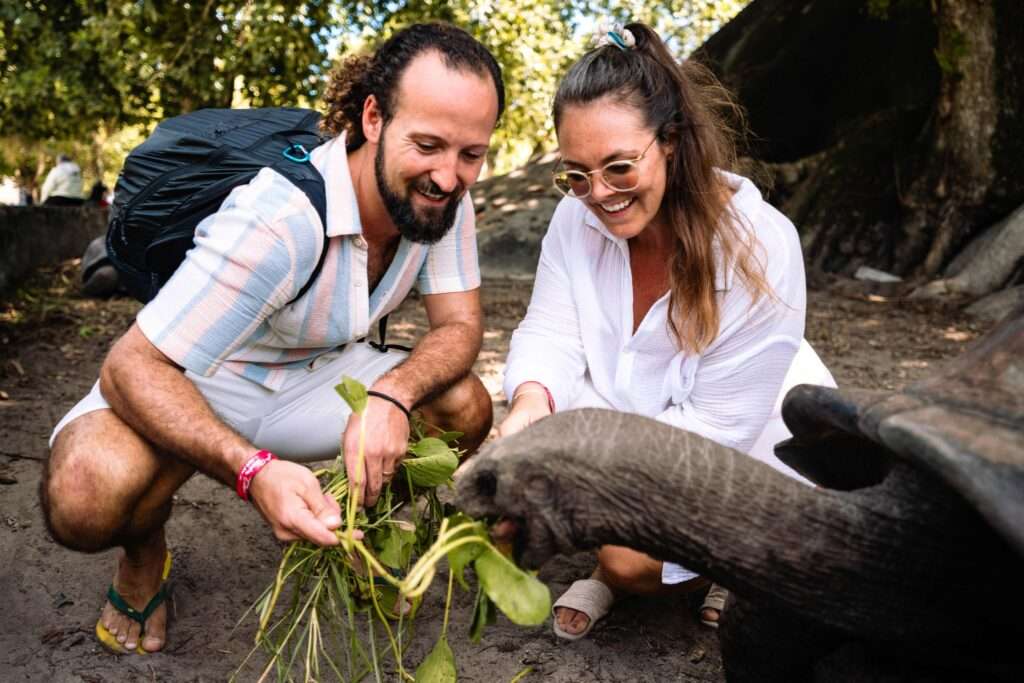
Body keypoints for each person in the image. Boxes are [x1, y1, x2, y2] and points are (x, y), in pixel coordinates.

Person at [41, 22, 503, 655]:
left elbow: (459, 327)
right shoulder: (280, 218)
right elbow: (131, 366)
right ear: (373, 118)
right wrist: (251, 469)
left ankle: (351, 528)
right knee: (84, 495)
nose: (449, 177)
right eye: (427, 145)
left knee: (464, 406)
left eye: (470, 154)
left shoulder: (445, 203)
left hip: (314, 377)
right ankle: (145, 556)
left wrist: (392, 398)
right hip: (196, 376)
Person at [496, 22, 836, 640]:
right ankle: (626, 556)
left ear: (672, 141)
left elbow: (716, 431)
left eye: (619, 167)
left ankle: (720, 567)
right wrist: (529, 404)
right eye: (575, 174)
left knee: (628, 561)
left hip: (734, 450)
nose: (598, 194)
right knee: (588, 516)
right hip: (620, 423)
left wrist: (567, 469)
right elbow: (550, 332)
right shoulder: (575, 220)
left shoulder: (761, 246)